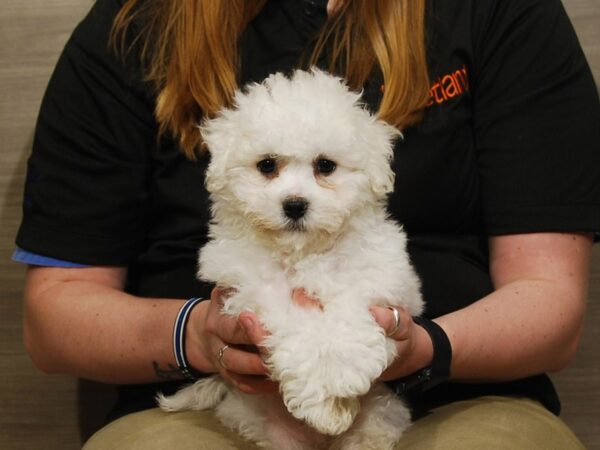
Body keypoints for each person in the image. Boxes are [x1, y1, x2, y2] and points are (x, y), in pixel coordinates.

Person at [15, 0, 600, 448]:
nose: (295, 194)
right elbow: (54, 317)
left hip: (460, 397)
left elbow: (550, 301)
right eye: (267, 167)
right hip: (206, 409)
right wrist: (201, 336)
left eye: (324, 168)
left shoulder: (503, 12)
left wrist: (422, 348)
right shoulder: (136, 23)